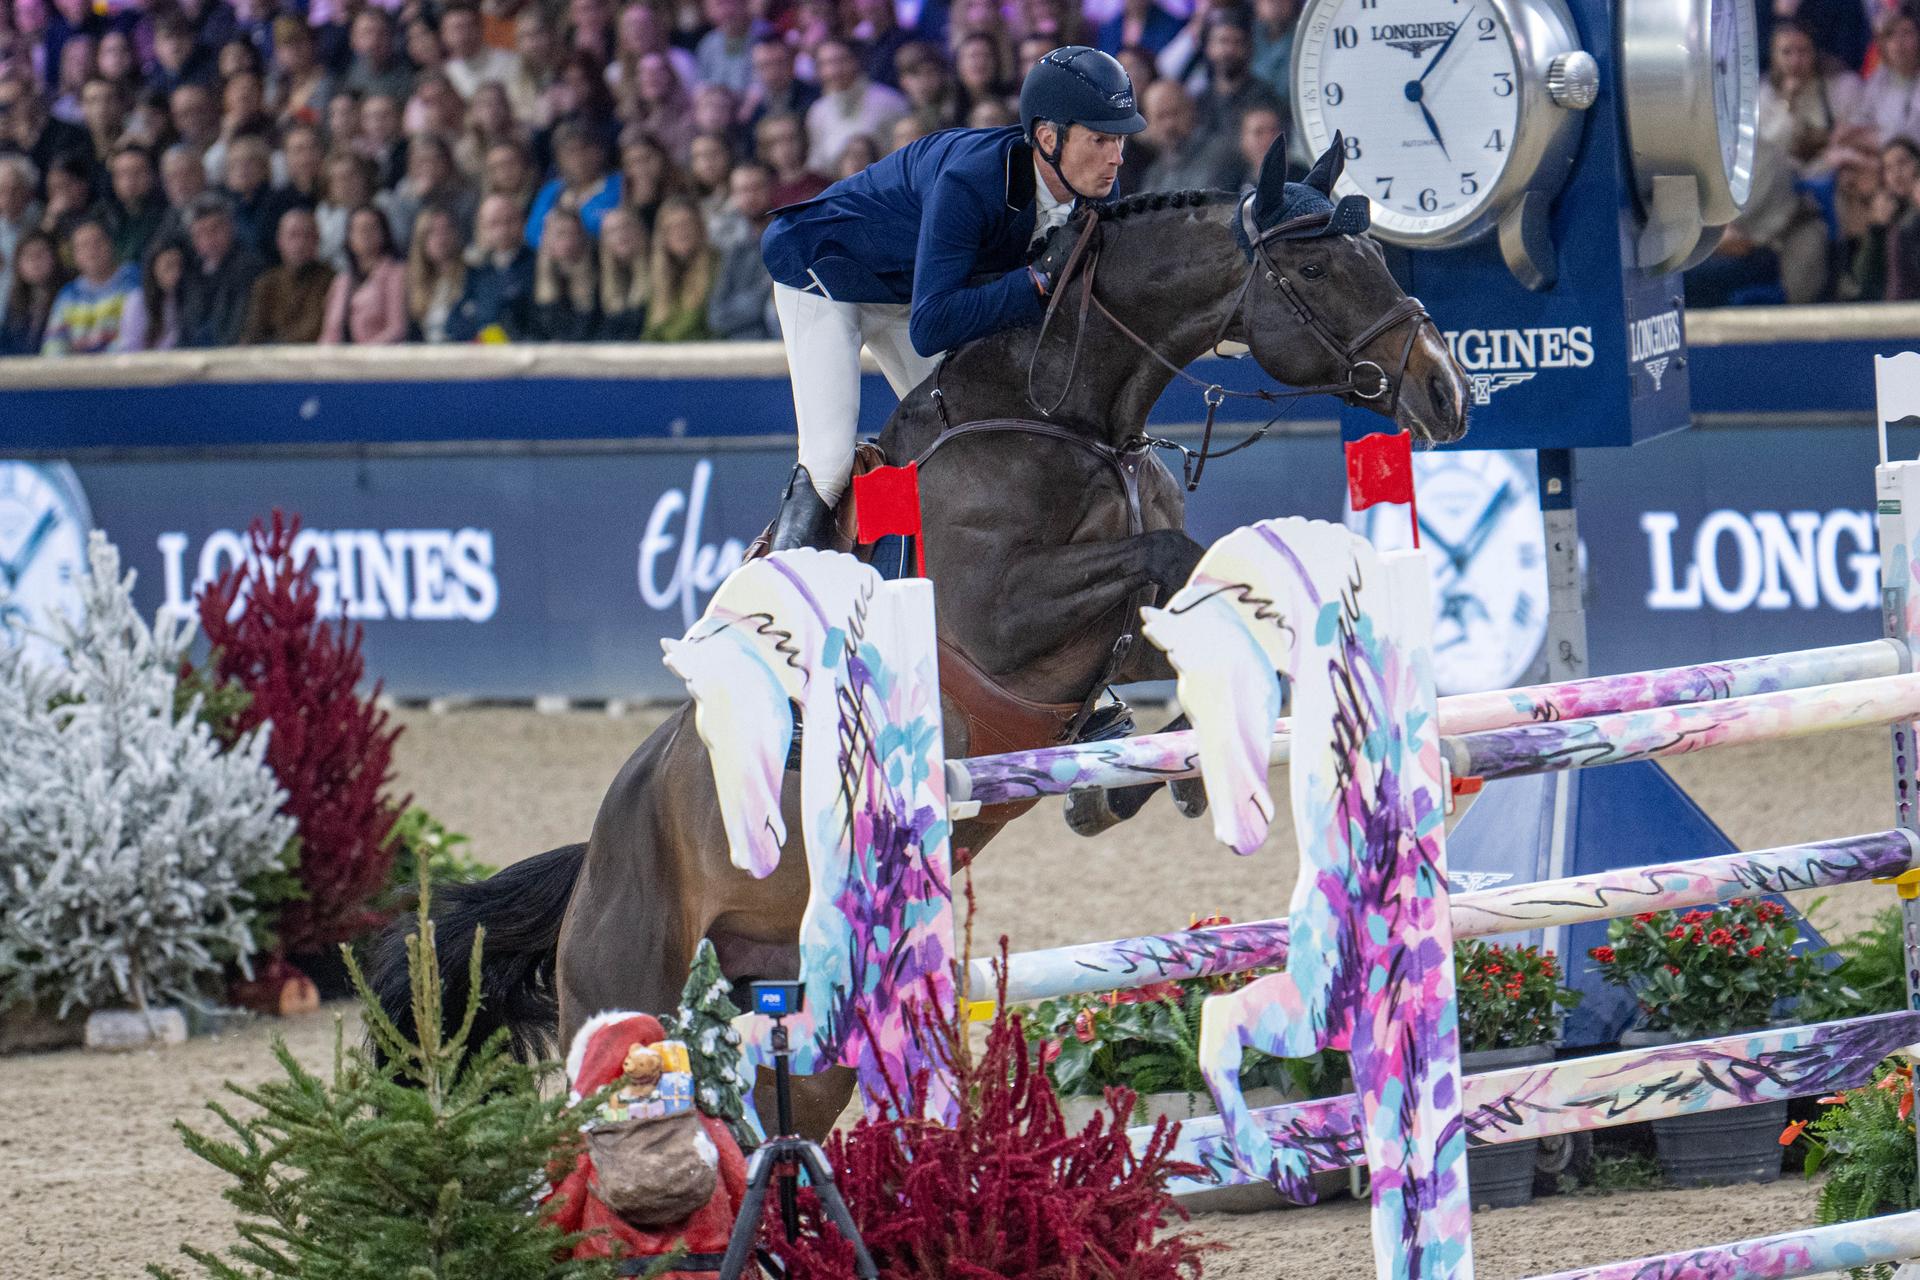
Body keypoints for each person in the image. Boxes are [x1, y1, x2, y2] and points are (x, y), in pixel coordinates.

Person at [759, 44, 1144, 549]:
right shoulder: (973, 180)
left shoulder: (1094, 189)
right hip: (822, 269)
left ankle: (889, 571)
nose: (1116, 157)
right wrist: (1033, 284)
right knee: (829, 458)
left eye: (1120, 140)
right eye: (1099, 139)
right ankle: (782, 591)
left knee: (960, 434)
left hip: (904, 287)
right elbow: (932, 326)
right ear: (1048, 138)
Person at [41, 215, 144, 354]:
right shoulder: (68, 294)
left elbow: (133, 339)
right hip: (76, 373)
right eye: (83, 246)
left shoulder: (134, 280)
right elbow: (54, 345)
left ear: (111, 244)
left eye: (98, 243)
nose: (91, 251)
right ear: (75, 255)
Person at [807, 37, 910, 173]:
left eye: (840, 61)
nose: (833, 71)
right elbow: (818, 165)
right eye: (825, 64)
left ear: (856, 61)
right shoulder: (817, 112)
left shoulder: (889, 102)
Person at [179, 192, 265, 347]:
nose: (209, 239)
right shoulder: (192, 271)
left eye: (215, 229)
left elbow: (239, 325)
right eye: (201, 233)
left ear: (231, 228)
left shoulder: (248, 267)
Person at [448, 190, 535, 339]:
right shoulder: (477, 271)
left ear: (522, 222)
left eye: (509, 221)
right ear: (482, 229)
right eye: (494, 223)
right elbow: (455, 322)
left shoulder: (538, 264)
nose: (503, 230)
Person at [242, 206, 333, 343]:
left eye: (307, 235)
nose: (300, 243)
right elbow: (253, 330)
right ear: (280, 240)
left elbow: (314, 328)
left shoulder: (330, 280)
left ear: (317, 239)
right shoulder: (267, 282)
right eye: (293, 235)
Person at [708, 158, 775, 338]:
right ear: (733, 195)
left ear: (771, 188)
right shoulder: (725, 242)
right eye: (743, 190)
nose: (750, 196)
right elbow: (717, 316)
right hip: (740, 348)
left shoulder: (791, 236)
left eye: (757, 187)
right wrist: (764, 292)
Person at [322, 204, 408, 342]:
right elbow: (330, 332)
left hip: (380, 358)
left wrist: (363, 356)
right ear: (349, 237)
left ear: (383, 233)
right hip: (340, 360)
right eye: (359, 229)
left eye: (371, 228)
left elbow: (397, 328)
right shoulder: (341, 281)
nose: (365, 234)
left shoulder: (396, 274)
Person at [526, 122, 621, 244]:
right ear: (559, 159)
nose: (578, 158)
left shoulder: (618, 184)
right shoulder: (551, 190)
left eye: (584, 148)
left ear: (600, 151)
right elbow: (532, 234)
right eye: (570, 152)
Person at [642, 193, 713, 340]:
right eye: (672, 227)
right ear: (663, 236)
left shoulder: (717, 265)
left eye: (687, 224)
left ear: (700, 228)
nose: (681, 232)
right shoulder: (658, 275)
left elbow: (705, 324)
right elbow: (650, 331)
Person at [526, 204, 599, 338]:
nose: (568, 241)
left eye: (573, 234)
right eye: (560, 234)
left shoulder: (599, 274)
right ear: (545, 238)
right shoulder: (528, 274)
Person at [92, 141, 164, 266]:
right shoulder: (103, 216)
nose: (129, 181)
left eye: (137, 172)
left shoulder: (166, 216)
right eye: (122, 174)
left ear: (152, 175)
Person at [0, 230, 68, 354]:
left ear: (55, 257)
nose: (34, 261)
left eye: (40, 254)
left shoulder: (68, 295)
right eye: (27, 255)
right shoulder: (15, 300)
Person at [407, 205, 467, 340]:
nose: (441, 237)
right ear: (421, 240)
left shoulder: (473, 277)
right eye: (432, 232)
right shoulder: (413, 284)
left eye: (447, 229)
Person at [596, 203, 648, 337]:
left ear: (640, 230)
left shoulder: (660, 270)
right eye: (612, 231)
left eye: (626, 227)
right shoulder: (596, 276)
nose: (621, 235)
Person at [140, 236, 188, 349]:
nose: (175, 273)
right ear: (154, 268)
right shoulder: (139, 301)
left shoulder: (189, 298)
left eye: (179, 266)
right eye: (168, 266)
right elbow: (130, 348)